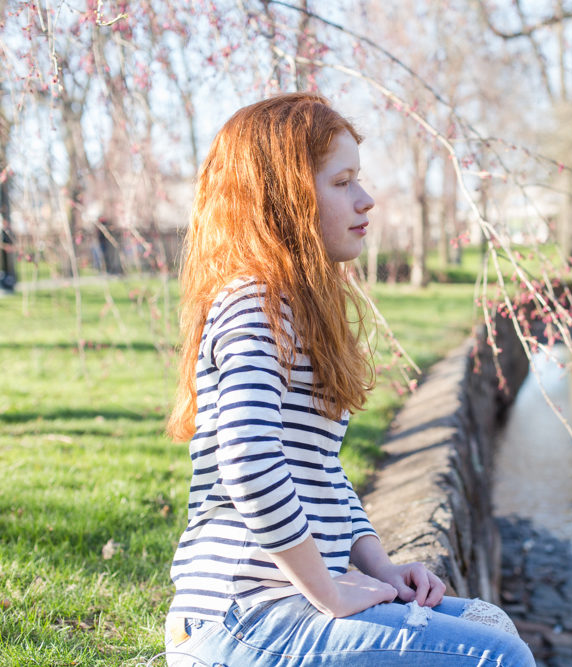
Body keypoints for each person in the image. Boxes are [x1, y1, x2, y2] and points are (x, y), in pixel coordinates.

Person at [162, 93, 534, 666]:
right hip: (239, 619)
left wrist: (384, 570)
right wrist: (330, 590)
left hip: (278, 610)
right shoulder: (254, 303)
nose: (366, 200)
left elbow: (323, 472)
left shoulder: (293, 307)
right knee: (499, 659)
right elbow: (248, 460)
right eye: (343, 183)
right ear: (282, 200)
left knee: (491, 623)